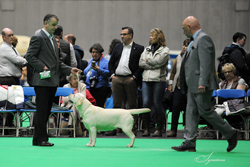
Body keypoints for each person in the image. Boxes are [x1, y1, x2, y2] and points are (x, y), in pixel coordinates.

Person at [172, 16, 238, 152]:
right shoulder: (194, 40)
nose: (183, 32)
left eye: (184, 29)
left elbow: (206, 63)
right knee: (190, 111)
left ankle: (230, 132)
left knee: (205, 111)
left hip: (200, 84)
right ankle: (189, 141)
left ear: (190, 27)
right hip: (192, 83)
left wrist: (202, 82)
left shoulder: (203, 39)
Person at [25, 14, 81, 147]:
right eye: (53, 24)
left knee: (45, 111)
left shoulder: (52, 39)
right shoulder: (38, 37)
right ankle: (42, 139)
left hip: (52, 81)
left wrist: (69, 69)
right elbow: (29, 56)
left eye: (56, 25)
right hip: (42, 81)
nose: (55, 27)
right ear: (45, 23)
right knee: (42, 111)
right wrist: (41, 66)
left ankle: (37, 139)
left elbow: (56, 63)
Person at [108, 27, 144, 136]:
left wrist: (134, 77)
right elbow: (111, 62)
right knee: (117, 104)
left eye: (124, 34)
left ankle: (132, 127)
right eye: (121, 34)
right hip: (117, 78)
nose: (122, 36)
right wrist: (112, 75)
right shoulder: (118, 47)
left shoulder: (139, 48)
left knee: (132, 104)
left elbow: (141, 65)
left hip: (130, 79)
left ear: (131, 35)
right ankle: (116, 127)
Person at [139, 28, 170, 137]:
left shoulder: (165, 50)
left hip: (158, 80)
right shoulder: (147, 49)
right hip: (146, 79)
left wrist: (148, 62)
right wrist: (152, 65)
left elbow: (160, 62)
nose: (150, 38)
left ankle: (159, 129)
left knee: (157, 104)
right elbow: (141, 63)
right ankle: (146, 128)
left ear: (158, 37)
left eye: (152, 36)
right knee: (145, 103)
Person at [0, 28, 27, 133]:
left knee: (13, 104)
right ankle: (5, 128)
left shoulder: (11, 47)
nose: (12, 37)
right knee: (6, 105)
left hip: (12, 80)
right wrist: (27, 60)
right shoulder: (5, 48)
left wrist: (21, 61)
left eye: (12, 35)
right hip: (6, 80)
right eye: (9, 35)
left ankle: (9, 127)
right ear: (3, 37)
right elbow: (17, 60)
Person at [166, 39, 190, 137]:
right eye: (184, 45)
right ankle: (173, 130)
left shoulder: (194, 58)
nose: (184, 47)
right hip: (178, 87)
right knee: (175, 108)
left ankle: (189, 131)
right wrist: (171, 84)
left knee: (188, 110)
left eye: (187, 45)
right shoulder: (178, 57)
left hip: (189, 88)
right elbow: (172, 72)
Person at [219, 63, 248, 130]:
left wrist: (223, 93)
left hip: (238, 103)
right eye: (225, 72)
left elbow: (238, 93)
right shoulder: (221, 84)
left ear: (234, 72)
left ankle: (236, 129)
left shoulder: (240, 81)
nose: (227, 74)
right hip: (225, 104)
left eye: (229, 71)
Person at [84, 43, 111, 108]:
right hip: (90, 88)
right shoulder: (91, 61)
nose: (94, 54)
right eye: (93, 52)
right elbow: (86, 71)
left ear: (100, 53)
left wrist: (99, 70)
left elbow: (109, 74)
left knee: (99, 108)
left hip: (101, 88)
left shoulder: (105, 62)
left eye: (96, 52)